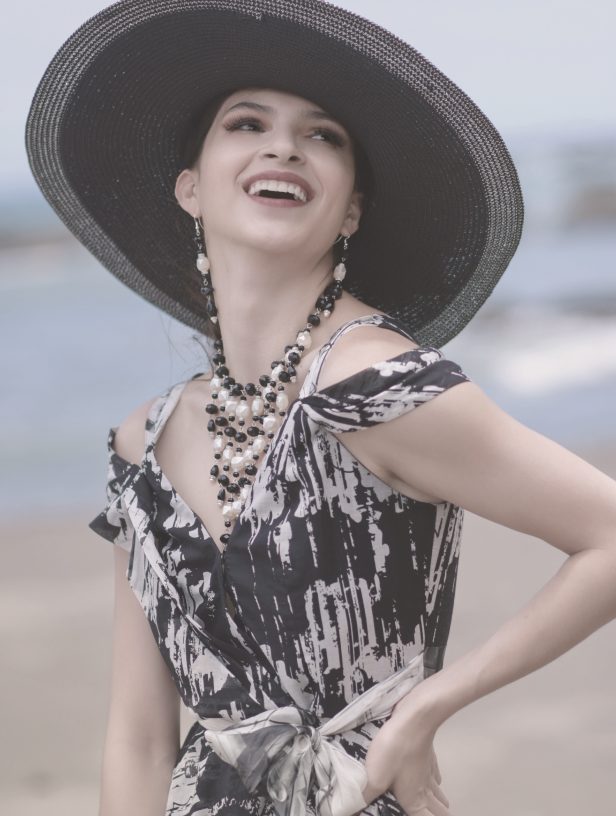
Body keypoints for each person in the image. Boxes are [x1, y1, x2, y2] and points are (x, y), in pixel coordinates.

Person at [26, 1, 616, 815]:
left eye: (323, 136)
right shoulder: (143, 446)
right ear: (190, 188)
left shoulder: (376, 387)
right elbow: (139, 738)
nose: (283, 146)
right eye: (247, 123)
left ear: (351, 208)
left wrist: (428, 707)